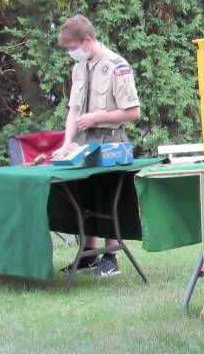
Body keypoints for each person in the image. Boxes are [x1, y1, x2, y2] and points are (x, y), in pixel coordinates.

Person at [54, 14, 141, 276]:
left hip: (110, 143)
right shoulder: (79, 68)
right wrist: (67, 143)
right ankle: (86, 255)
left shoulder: (117, 66)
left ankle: (110, 258)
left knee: (107, 198)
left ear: (88, 40)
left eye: (72, 47)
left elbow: (133, 112)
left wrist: (97, 117)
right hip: (82, 143)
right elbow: (73, 110)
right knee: (83, 197)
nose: (71, 52)